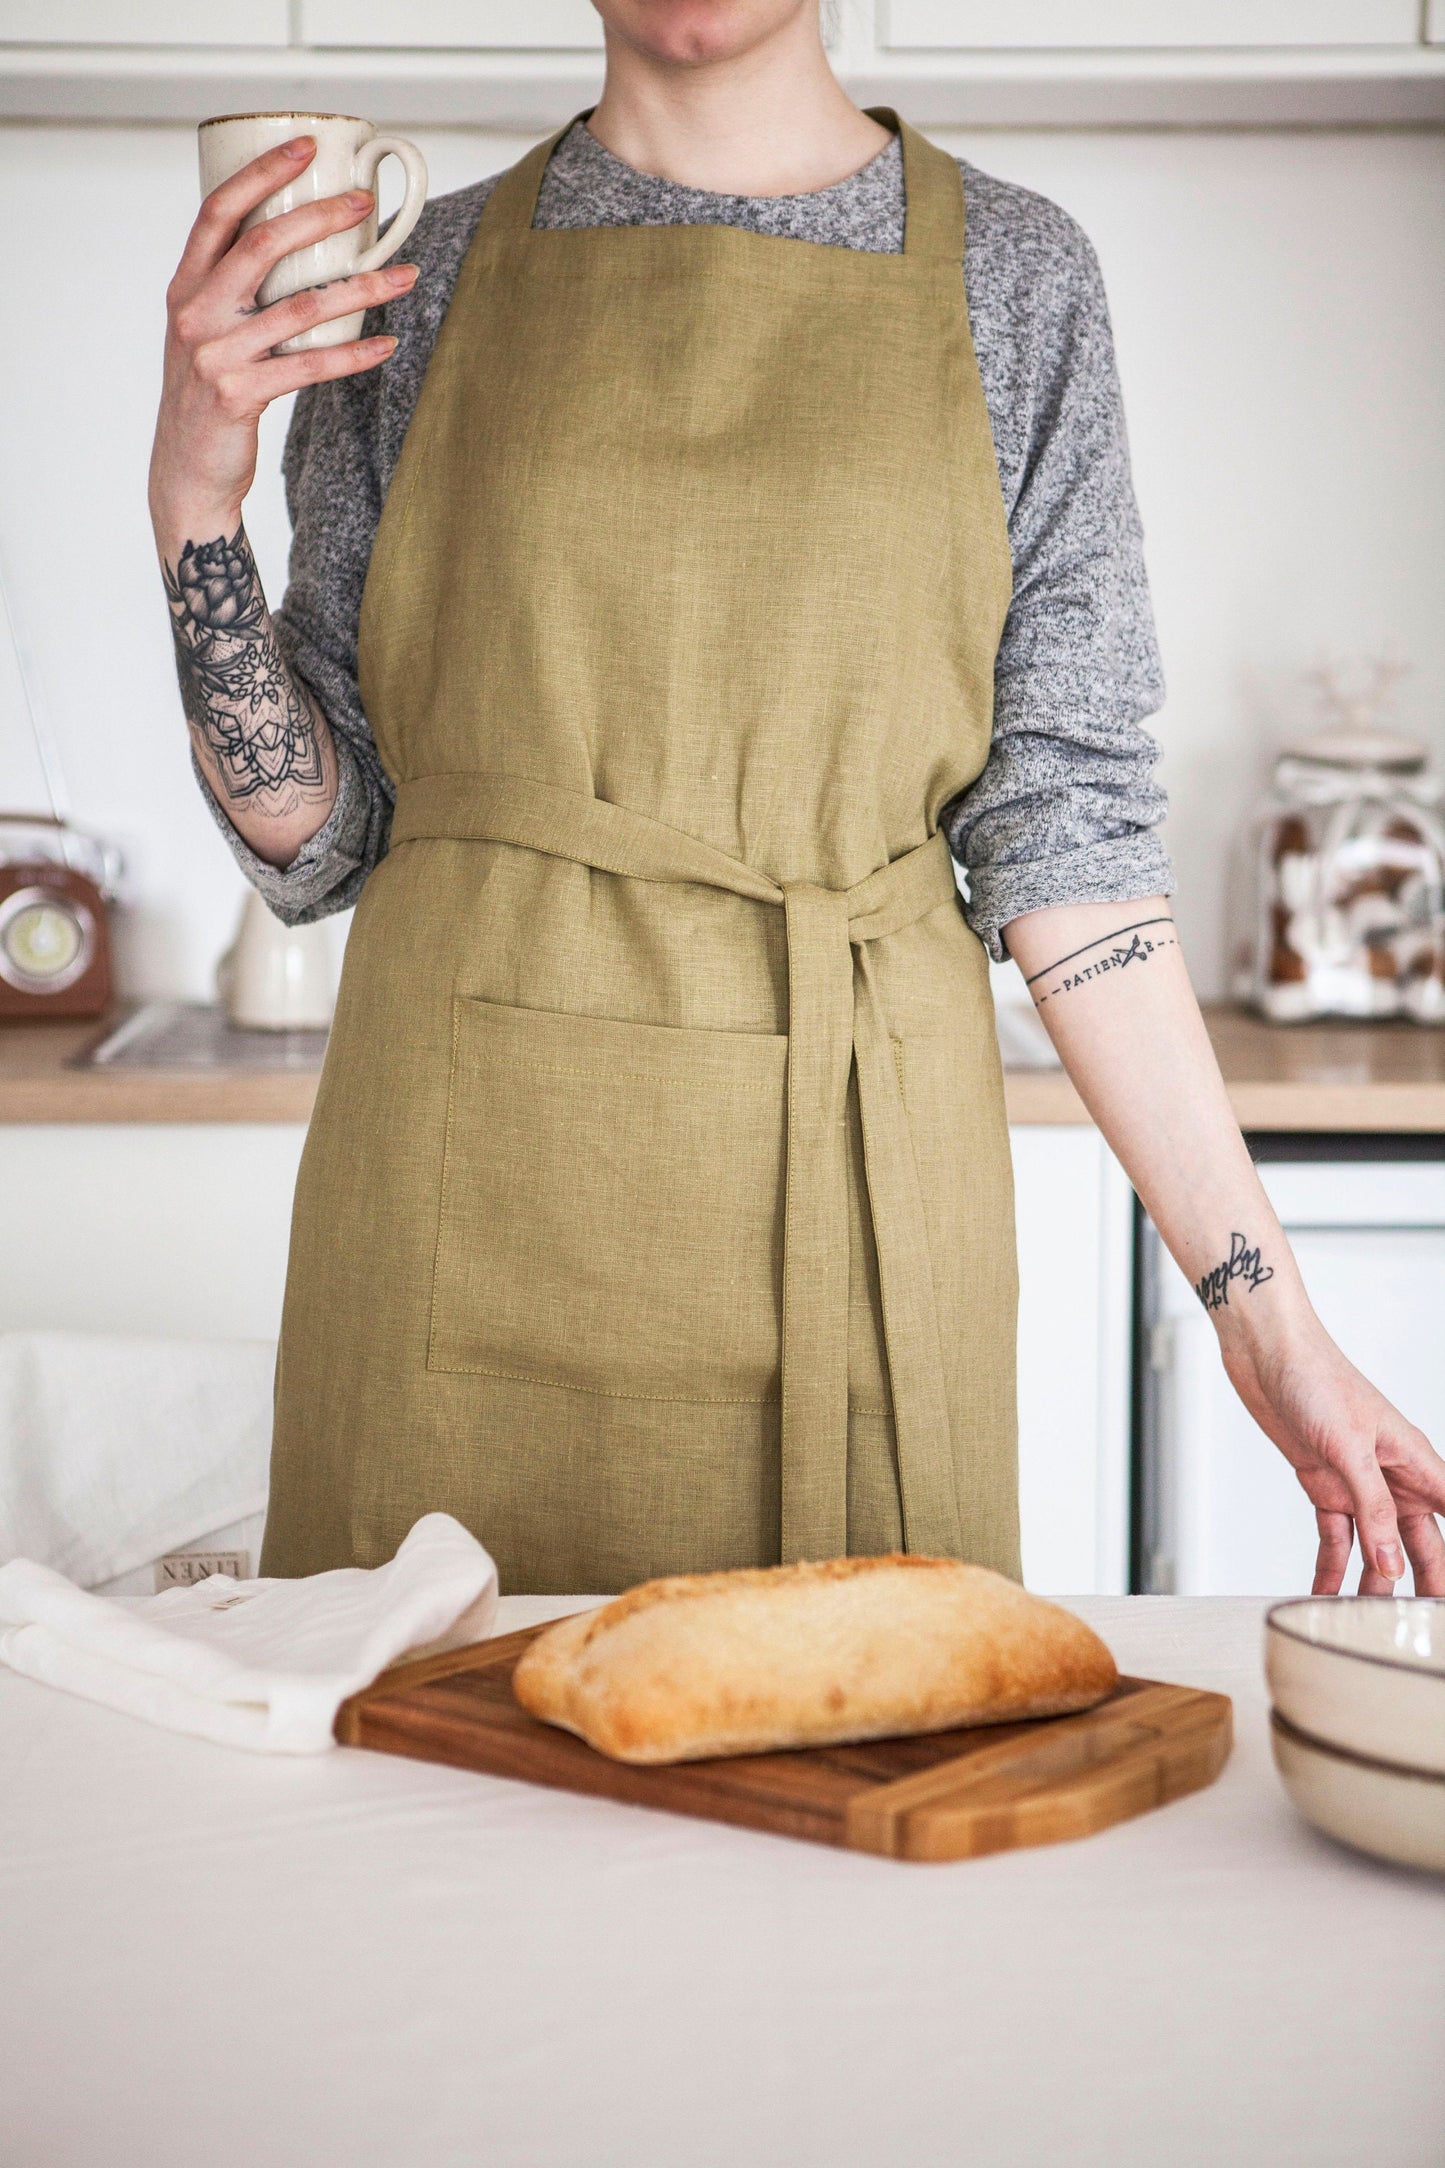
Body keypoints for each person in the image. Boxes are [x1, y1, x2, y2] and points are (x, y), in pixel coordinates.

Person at [149, 0, 1445, 1597]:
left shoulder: (1022, 278)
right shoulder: (415, 283)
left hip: (862, 1172)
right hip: (452, 1184)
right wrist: (196, 497)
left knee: (870, 1775)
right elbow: (318, 832)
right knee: (421, 1775)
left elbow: (1067, 837)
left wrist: (1270, 1324)